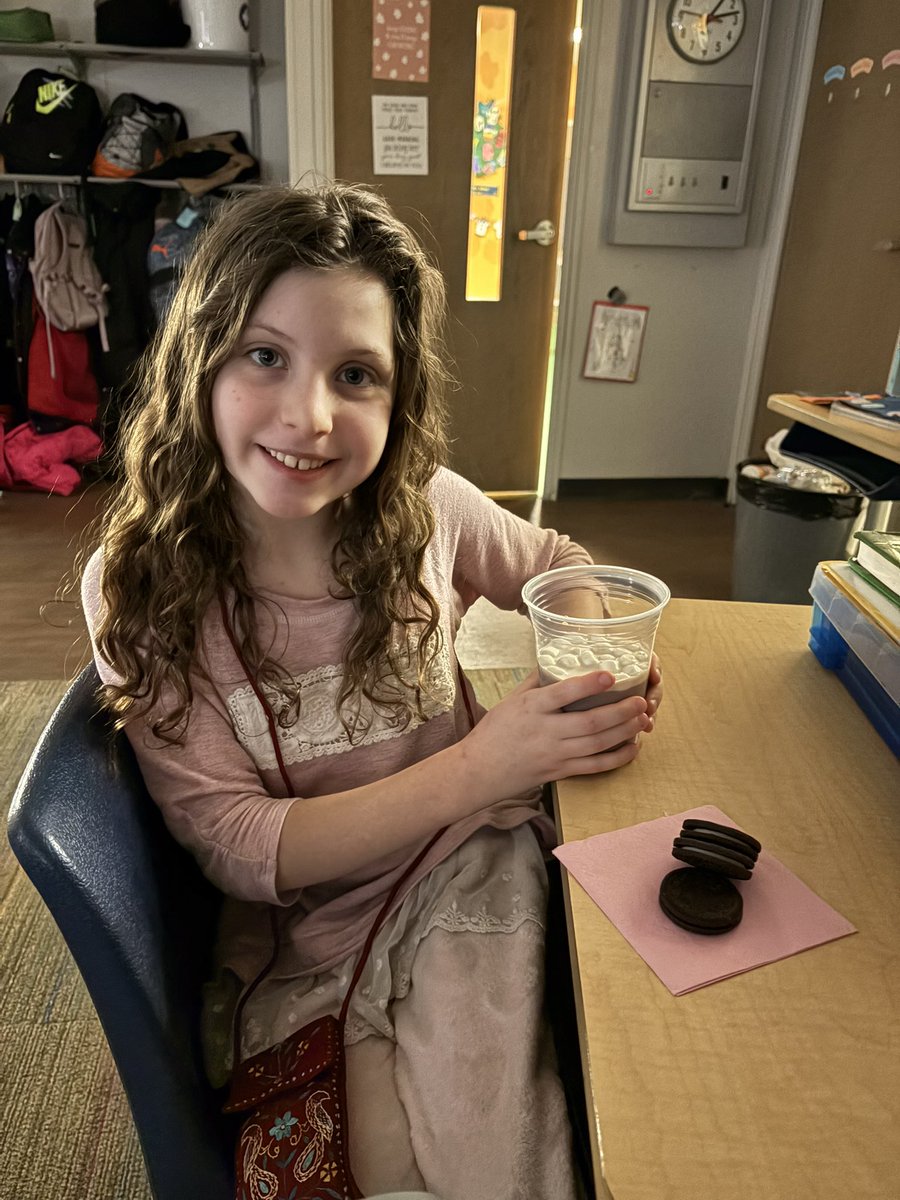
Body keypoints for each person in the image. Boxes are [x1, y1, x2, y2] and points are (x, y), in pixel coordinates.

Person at [81, 181, 663, 1200]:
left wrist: (599, 643)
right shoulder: (144, 589)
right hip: (306, 935)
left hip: (470, 873)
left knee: (502, 1138)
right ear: (199, 360)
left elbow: (556, 565)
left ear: (398, 401)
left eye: (356, 374)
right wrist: (486, 764)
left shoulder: (428, 510)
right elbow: (236, 843)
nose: (309, 416)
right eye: (265, 355)